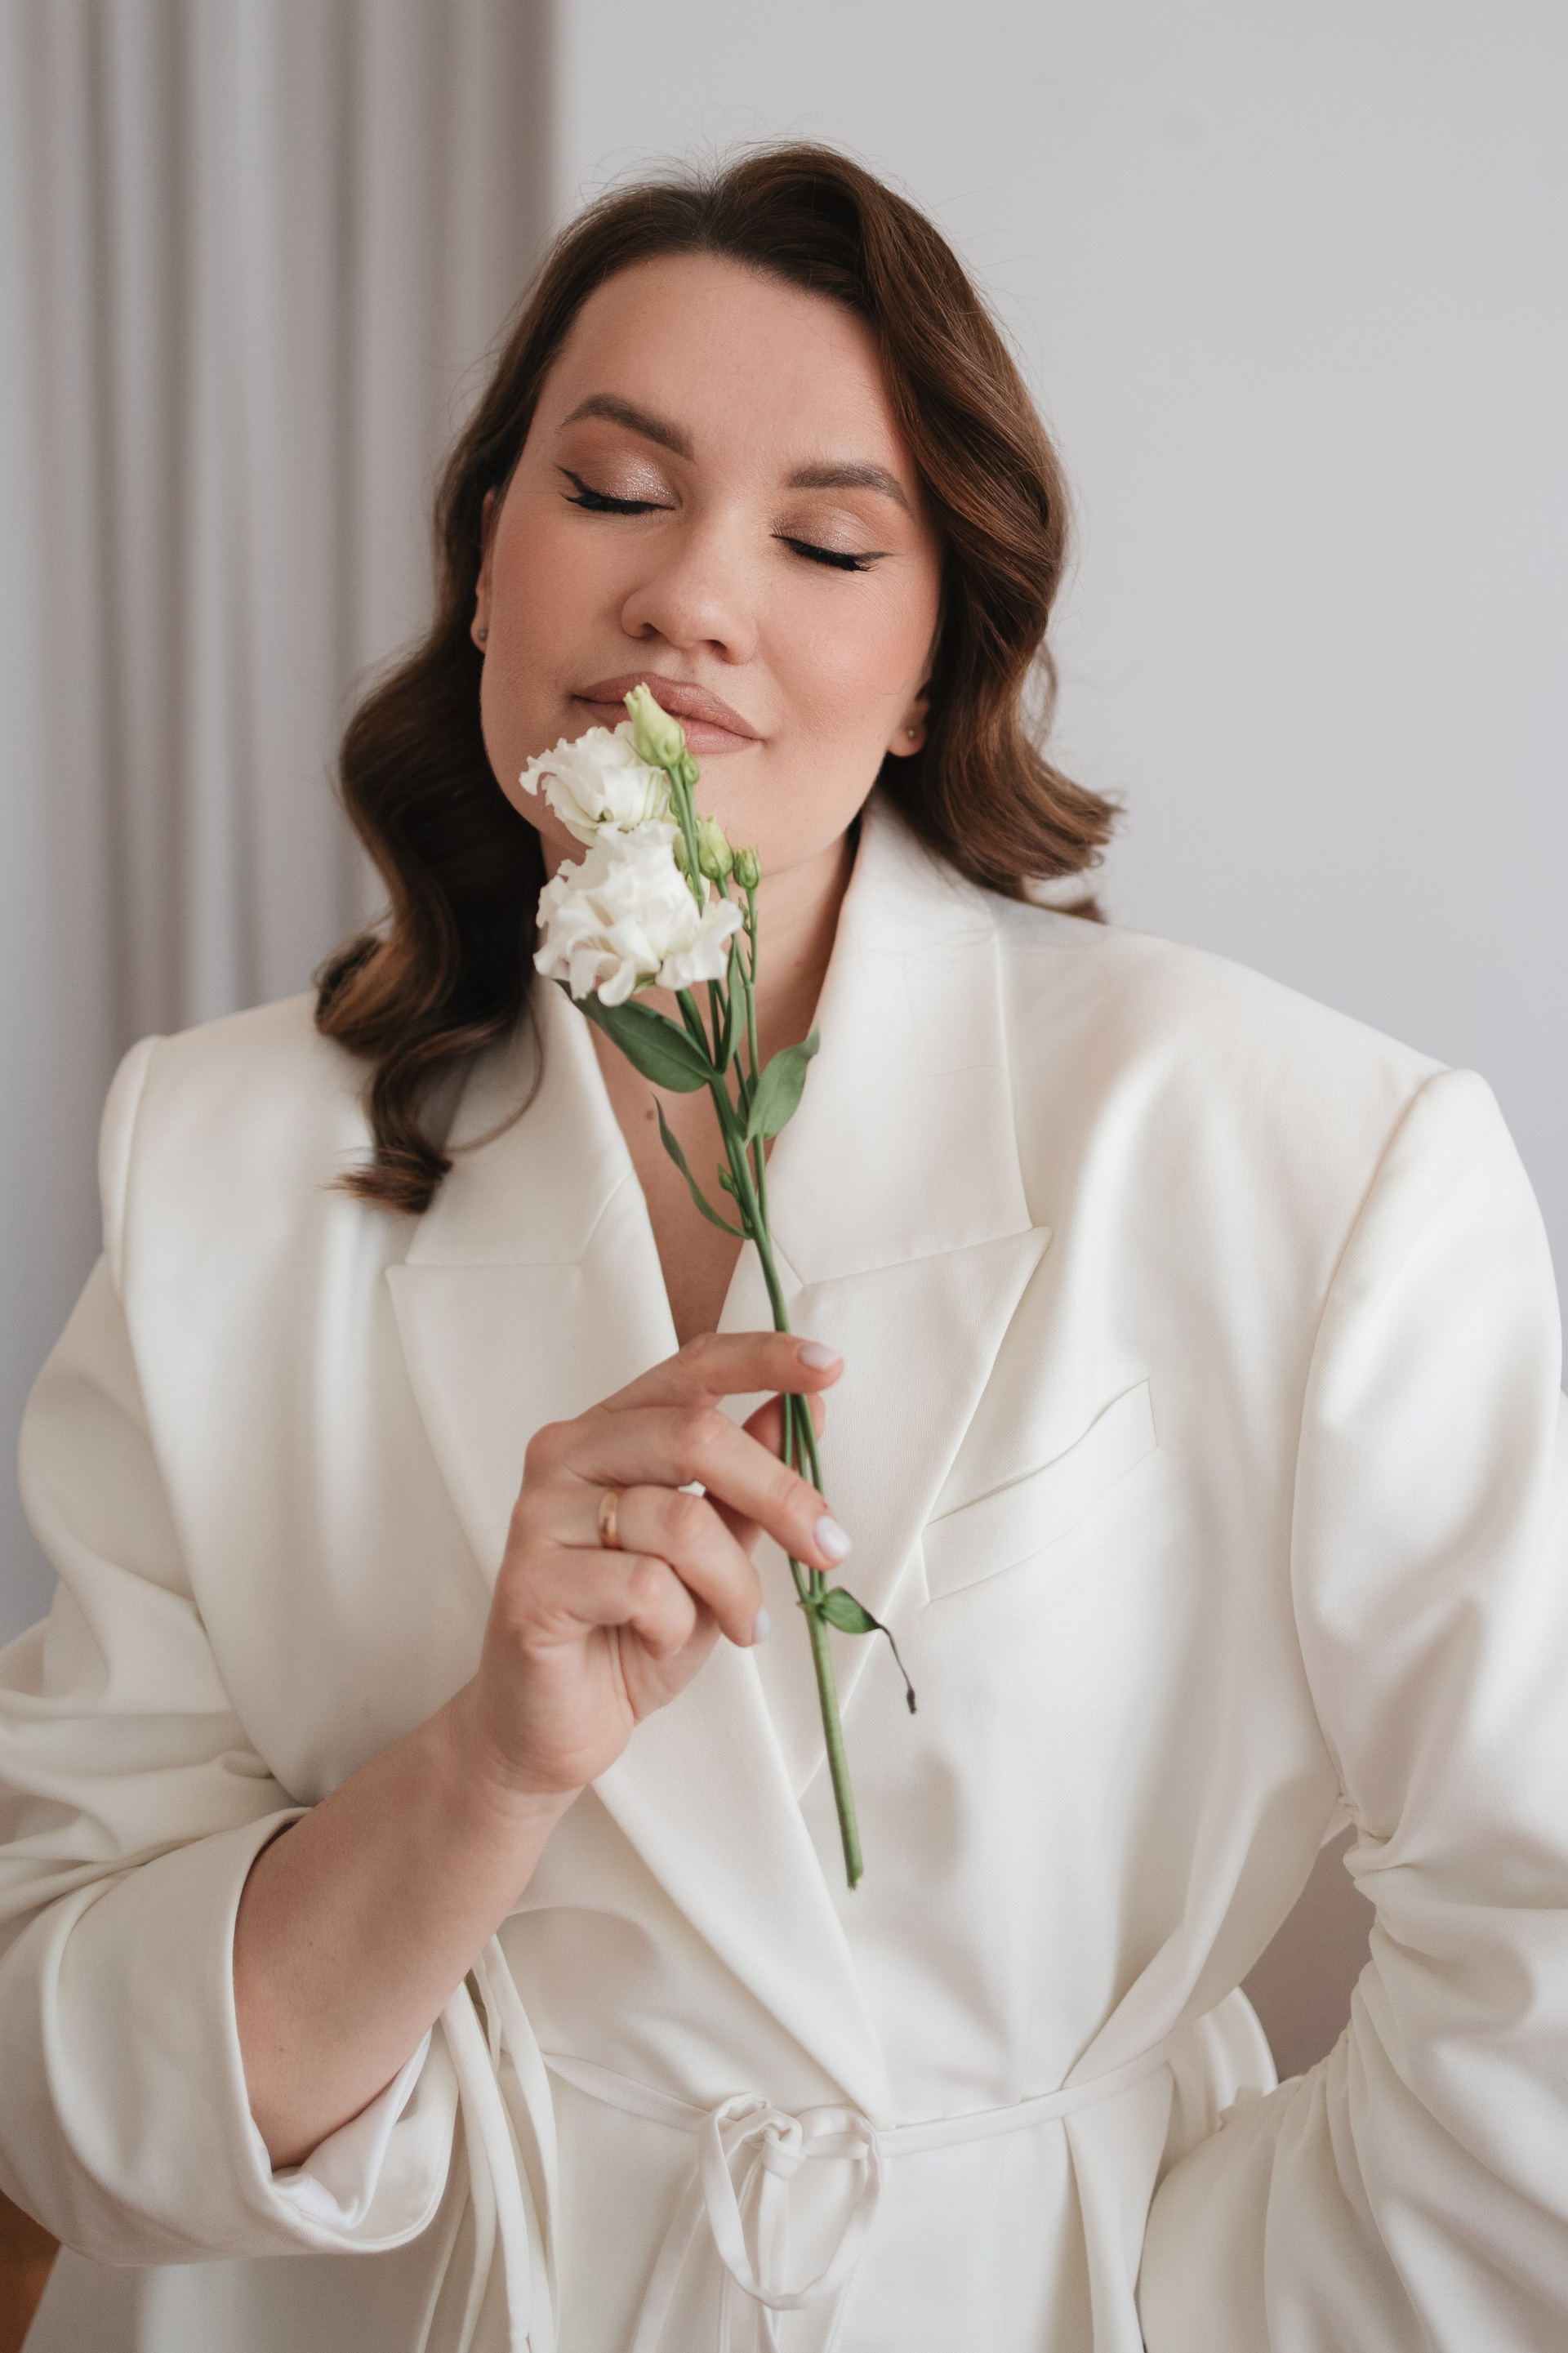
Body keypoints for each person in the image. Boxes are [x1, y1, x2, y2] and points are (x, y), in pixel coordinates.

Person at [1, 141, 1564, 2353]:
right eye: (614, 492)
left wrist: (1193, 2306)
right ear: (487, 567)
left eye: (828, 540)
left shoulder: (1297, 1152)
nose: (690, 599)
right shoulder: (221, 1160)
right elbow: (60, 2075)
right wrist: (487, 1768)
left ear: (933, 670)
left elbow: (1539, 1921)